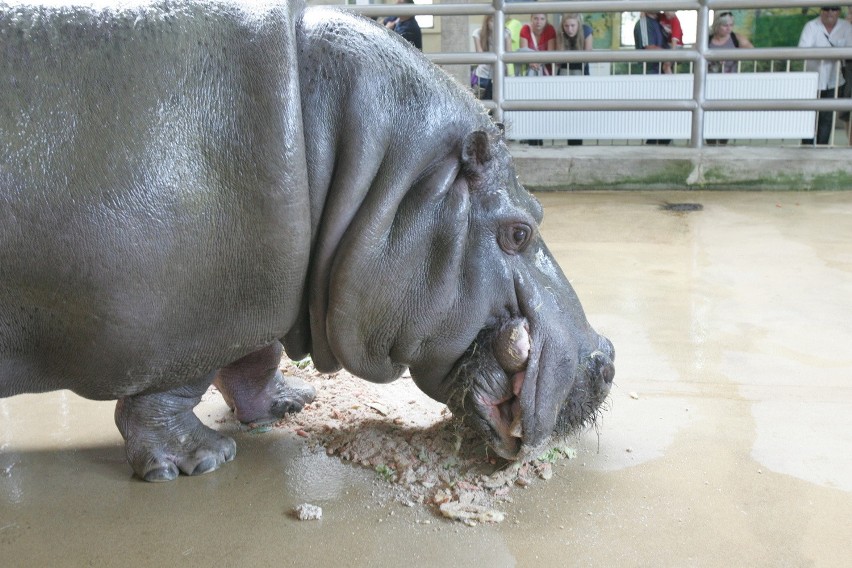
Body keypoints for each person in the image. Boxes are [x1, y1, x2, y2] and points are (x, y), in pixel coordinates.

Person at [798, 6, 851, 145]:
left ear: (839, 12)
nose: (829, 12)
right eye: (826, 9)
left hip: (834, 80)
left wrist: (823, 54)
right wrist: (830, 54)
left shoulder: (846, 27)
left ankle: (822, 148)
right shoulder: (811, 26)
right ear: (821, 10)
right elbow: (802, 49)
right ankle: (806, 148)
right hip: (811, 80)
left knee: (826, 118)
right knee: (808, 116)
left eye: (833, 9)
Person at [707, 11, 754, 145]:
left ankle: (722, 144)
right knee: (710, 118)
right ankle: (710, 143)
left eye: (731, 25)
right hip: (710, 87)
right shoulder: (706, 39)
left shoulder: (736, 38)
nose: (729, 28)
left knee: (725, 119)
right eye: (725, 25)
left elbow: (752, 51)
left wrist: (737, 54)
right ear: (717, 25)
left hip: (729, 87)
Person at [634, 12, 671, 144]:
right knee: (655, 119)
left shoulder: (662, 22)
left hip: (662, 74)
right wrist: (674, 54)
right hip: (651, 75)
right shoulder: (644, 23)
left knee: (665, 118)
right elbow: (649, 47)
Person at [555, 13, 591, 147]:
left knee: (580, 110)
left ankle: (577, 142)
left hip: (581, 74)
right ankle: (567, 139)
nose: (569, 29)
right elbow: (559, 60)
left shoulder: (587, 31)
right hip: (564, 74)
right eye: (566, 26)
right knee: (565, 110)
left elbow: (588, 57)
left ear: (578, 25)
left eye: (572, 26)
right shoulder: (561, 33)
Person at [472, 14, 512, 100]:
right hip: (483, 76)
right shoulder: (478, 33)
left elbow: (508, 56)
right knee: (481, 103)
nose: (495, 24)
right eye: (492, 21)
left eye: (497, 21)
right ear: (486, 22)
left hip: (500, 74)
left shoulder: (506, 33)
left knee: (499, 103)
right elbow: (480, 57)